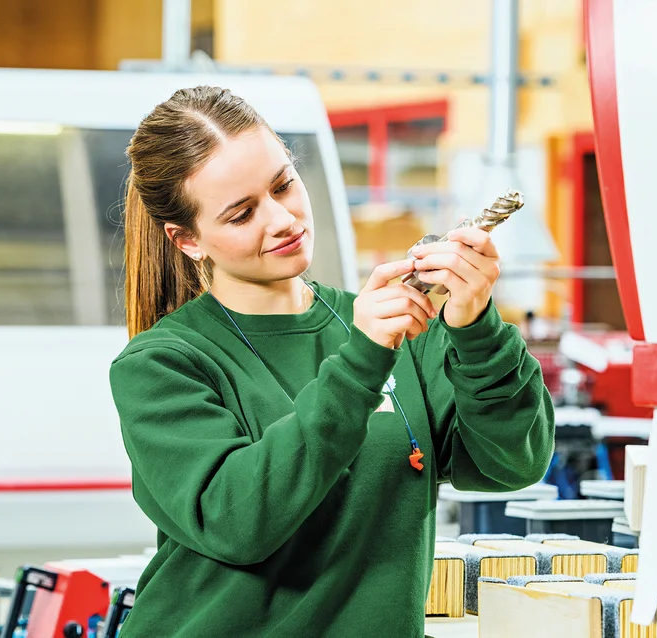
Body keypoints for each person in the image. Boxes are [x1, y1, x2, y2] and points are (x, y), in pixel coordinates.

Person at [108, 86, 554, 637]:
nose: (282, 219)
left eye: (283, 185)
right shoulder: (163, 365)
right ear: (188, 239)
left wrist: (474, 325)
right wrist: (363, 360)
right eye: (242, 213)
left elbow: (513, 461)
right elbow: (240, 522)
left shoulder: (393, 327)